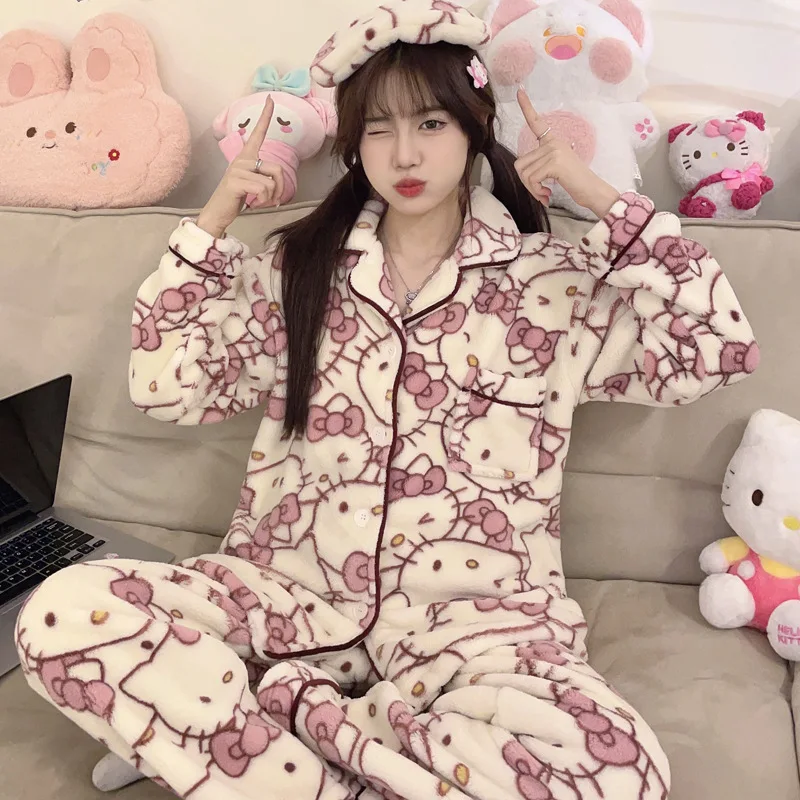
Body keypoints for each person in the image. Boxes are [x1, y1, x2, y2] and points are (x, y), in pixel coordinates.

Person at [14, 2, 759, 798]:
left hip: (474, 626)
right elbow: (167, 386)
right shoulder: (298, 272)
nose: (404, 153)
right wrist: (214, 218)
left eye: (431, 124)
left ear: (475, 129)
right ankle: (330, 744)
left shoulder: (550, 285)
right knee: (61, 612)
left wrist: (601, 199)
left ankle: (269, 733)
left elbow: (714, 349)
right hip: (289, 598)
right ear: (352, 143)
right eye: (378, 129)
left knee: (622, 772)